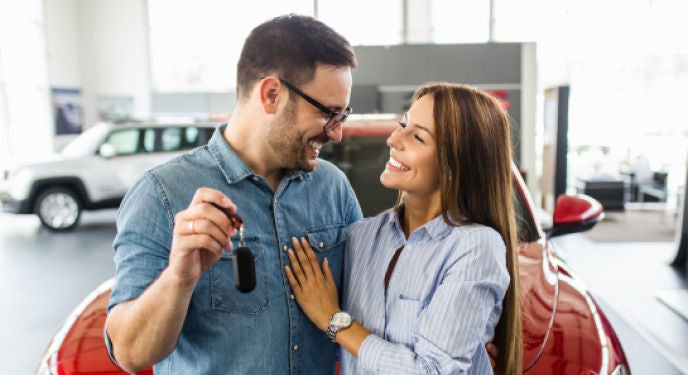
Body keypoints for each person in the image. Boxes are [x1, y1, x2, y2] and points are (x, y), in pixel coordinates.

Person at [104, 14, 361, 374]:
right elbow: (130, 354)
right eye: (328, 113)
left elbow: (370, 309)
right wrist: (180, 277)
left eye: (343, 115)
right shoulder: (161, 194)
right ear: (272, 94)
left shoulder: (333, 188)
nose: (336, 133)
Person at [285, 83, 523, 374]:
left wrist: (334, 319)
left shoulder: (476, 246)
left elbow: (429, 371)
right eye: (402, 124)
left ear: (455, 163)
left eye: (418, 137)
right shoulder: (361, 237)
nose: (394, 139)